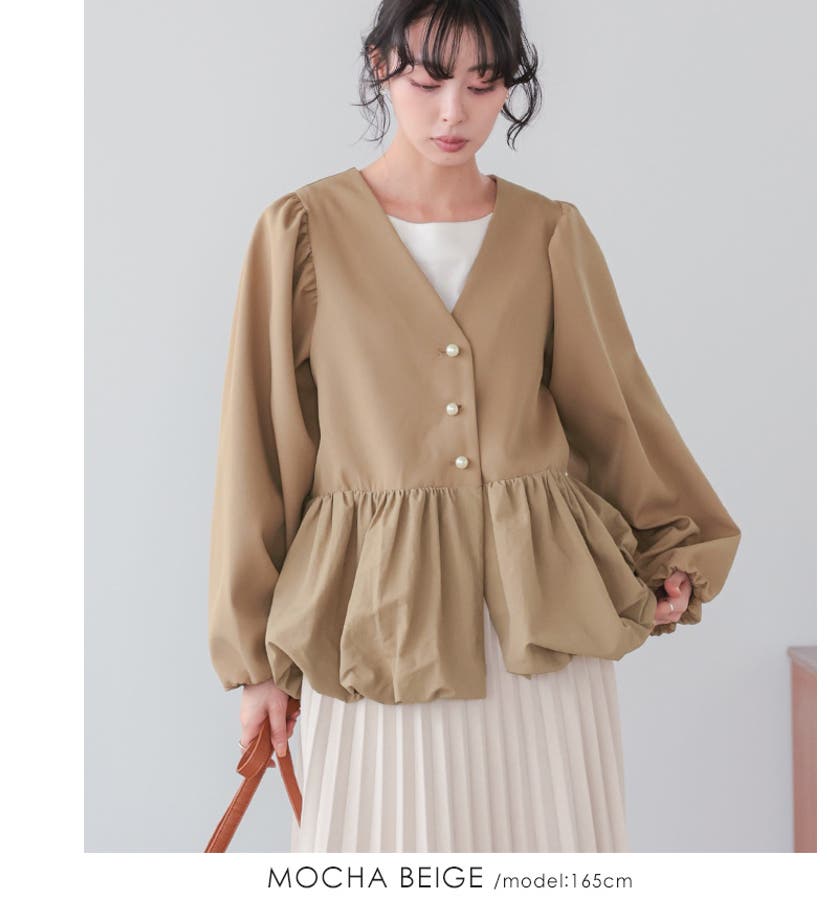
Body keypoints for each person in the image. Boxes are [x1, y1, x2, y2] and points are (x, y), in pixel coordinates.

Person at [207, 0, 741, 853]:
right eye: (428, 82)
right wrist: (255, 667)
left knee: (552, 845)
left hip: (543, 618)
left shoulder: (549, 232)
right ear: (381, 66)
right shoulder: (302, 232)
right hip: (378, 623)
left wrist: (669, 549)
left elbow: (616, 413)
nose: (454, 112)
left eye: (483, 84)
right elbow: (261, 452)